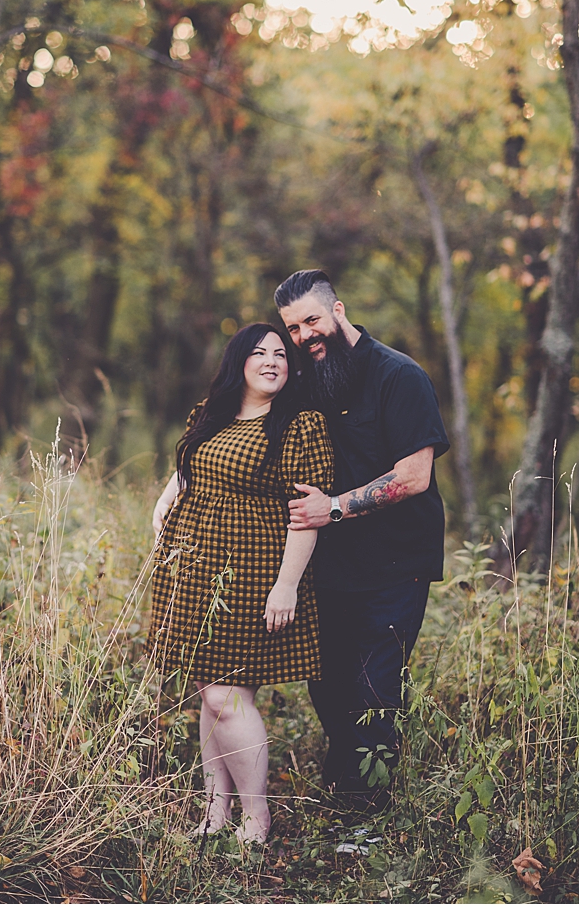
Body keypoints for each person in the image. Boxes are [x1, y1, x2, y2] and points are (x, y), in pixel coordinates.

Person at [149, 322, 334, 843]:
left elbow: (306, 514)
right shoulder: (210, 414)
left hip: (252, 573)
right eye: (260, 352)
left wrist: (287, 585)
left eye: (281, 353)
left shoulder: (300, 424)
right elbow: (187, 470)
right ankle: (215, 814)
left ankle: (257, 818)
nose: (273, 360)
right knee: (210, 694)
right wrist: (164, 505)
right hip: (194, 569)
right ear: (240, 362)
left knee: (227, 695)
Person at [275, 268, 448, 806]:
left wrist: (334, 509)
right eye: (293, 328)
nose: (304, 335)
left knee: (374, 686)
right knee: (326, 682)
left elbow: (414, 475)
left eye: (311, 320)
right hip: (330, 565)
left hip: (397, 563)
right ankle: (345, 776)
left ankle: (366, 812)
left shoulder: (398, 375)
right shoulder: (305, 381)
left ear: (338, 311)